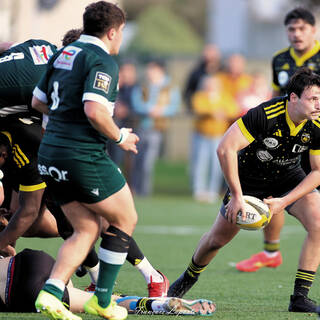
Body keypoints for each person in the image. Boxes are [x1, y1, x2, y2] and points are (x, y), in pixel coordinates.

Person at [168, 68, 320, 313]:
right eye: (313, 98)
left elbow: (318, 171)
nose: (318, 104)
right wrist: (237, 196)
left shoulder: (317, 124)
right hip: (249, 180)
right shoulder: (264, 114)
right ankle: (188, 277)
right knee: (217, 240)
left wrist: (284, 201)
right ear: (293, 98)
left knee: (319, 222)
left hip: (287, 178)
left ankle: (300, 298)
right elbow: (225, 149)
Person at [31, 2, 141, 319]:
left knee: (85, 228)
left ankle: (51, 294)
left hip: (49, 151)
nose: (121, 38)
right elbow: (94, 111)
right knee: (125, 218)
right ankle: (103, 300)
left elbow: (38, 101)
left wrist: (65, 118)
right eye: (121, 32)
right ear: (112, 31)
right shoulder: (102, 59)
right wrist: (120, 137)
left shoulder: (64, 53)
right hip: (81, 154)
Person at [236, 7, 320, 273]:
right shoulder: (279, 59)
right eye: (291, 29)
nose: (296, 34)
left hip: (315, 137)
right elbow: (275, 96)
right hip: (287, 137)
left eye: (302, 28)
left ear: (313, 30)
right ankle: (270, 252)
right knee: (275, 190)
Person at [0, 245, 215, 316]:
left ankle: (157, 304)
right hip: (32, 260)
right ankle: (151, 279)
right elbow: (9, 249)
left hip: (22, 290)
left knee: (99, 301)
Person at [131, 59, 180, 196]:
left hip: (157, 129)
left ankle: (144, 192)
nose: (149, 73)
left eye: (152, 69)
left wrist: (161, 111)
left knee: (147, 163)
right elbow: (136, 103)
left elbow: (174, 107)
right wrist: (149, 109)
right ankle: (134, 189)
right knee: (137, 161)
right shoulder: (142, 84)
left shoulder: (170, 87)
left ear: (160, 70)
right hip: (140, 127)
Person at [191, 75, 238, 202]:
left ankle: (213, 191)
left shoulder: (225, 96)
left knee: (216, 165)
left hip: (219, 136)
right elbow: (199, 108)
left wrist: (221, 112)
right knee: (200, 163)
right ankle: (199, 190)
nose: (211, 86)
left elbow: (233, 110)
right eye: (208, 84)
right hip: (201, 135)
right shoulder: (200, 96)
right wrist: (214, 111)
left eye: (213, 84)